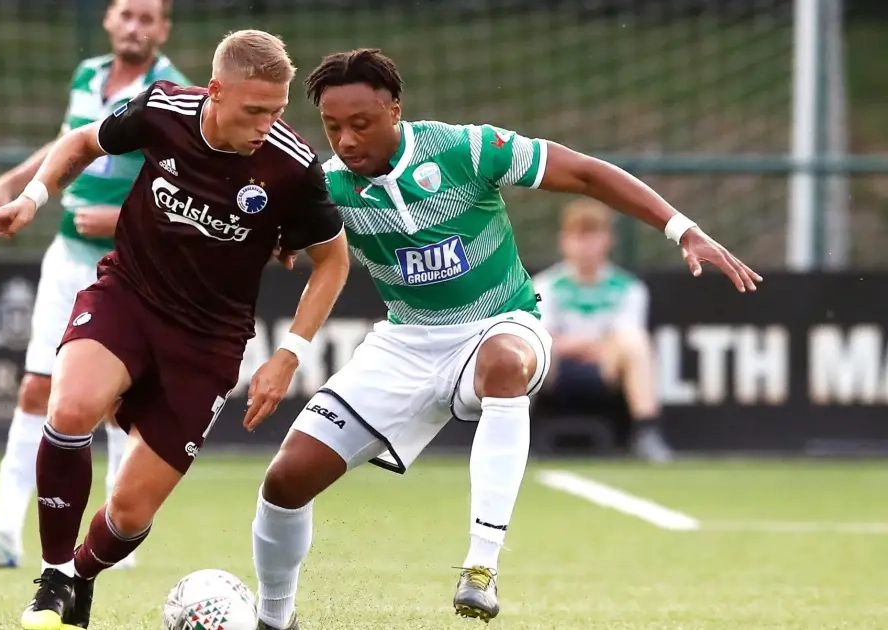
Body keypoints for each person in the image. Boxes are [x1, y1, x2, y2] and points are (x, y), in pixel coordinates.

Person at [247, 48, 761, 630]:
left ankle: (481, 566)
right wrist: (281, 239)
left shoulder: (466, 150)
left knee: (504, 363)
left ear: (395, 110)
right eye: (333, 126)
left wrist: (682, 229)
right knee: (286, 480)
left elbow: (586, 173)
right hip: (405, 344)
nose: (346, 140)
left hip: (503, 323)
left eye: (361, 123)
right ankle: (275, 620)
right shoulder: (327, 187)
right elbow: (286, 240)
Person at [0, 29, 349, 630]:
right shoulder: (163, 109)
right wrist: (34, 198)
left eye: (277, 110)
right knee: (70, 408)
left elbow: (333, 261)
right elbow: (82, 141)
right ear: (215, 91)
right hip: (129, 296)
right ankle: (53, 579)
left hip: (209, 340)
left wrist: (289, 355)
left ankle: (81, 576)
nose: (267, 125)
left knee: (129, 513)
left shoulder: (291, 164)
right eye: (255, 110)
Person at [0, 0, 190, 570]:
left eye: (147, 18)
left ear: (164, 29)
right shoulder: (88, 74)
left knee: (111, 399)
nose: (134, 27)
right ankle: (4, 532)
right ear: (109, 19)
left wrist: (123, 218)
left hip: (129, 265)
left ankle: (112, 540)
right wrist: (15, 182)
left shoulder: (173, 94)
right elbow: (73, 139)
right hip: (66, 258)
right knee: (37, 388)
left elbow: (186, 184)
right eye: (127, 14)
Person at [532, 199, 673, 462]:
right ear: (564, 241)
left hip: (606, 367)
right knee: (528, 347)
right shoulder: (543, 286)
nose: (586, 246)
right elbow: (541, 334)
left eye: (593, 236)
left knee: (636, 344)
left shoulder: (630, 288)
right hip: (555, 367)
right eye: (578, 237)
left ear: (608, 240)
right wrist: (586, 345)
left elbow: (626, 336)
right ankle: (512, 433)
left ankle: (646, 432)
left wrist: (586, 346)